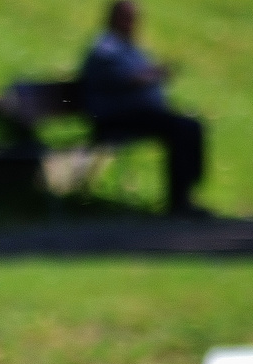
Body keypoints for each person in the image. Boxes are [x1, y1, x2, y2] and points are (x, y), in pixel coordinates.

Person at [79, 1, 208, 216]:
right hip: (116, 117)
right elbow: (119, 79)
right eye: (127, 18)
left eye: (134, 19)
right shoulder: (105, 47)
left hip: (135, 115)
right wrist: (148, 77)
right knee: (181, 127)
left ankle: (186, 193)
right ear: (113, 19)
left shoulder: (128, 47)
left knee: (190, 125)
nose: (132, 24)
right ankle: (179, 201)